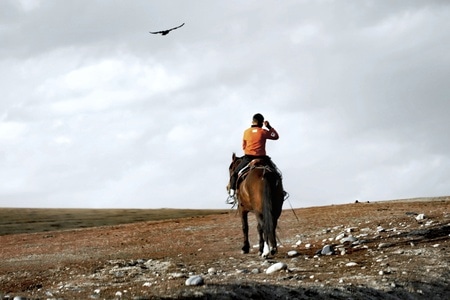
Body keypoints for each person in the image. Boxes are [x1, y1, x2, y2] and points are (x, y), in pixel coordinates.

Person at [227, 113, 280, 203]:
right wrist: (269, 127)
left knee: (235, 173)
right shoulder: (263, 132)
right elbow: (276, 136)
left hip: (248, 157)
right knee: (276, 172)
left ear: (253, 121)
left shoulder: (246, 132)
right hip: (263, 158)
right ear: (262, 122)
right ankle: (280, 191)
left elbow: (244, 146)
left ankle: (231, 196)